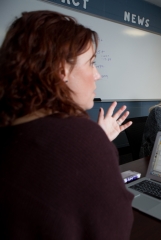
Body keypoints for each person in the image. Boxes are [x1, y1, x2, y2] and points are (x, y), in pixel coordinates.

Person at [0, 11, 134, 239]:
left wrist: (97, 140)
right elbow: (115, 229)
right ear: (62, 69)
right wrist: (93, 142)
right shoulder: (82, 138)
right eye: (91, 63)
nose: (97, 75)